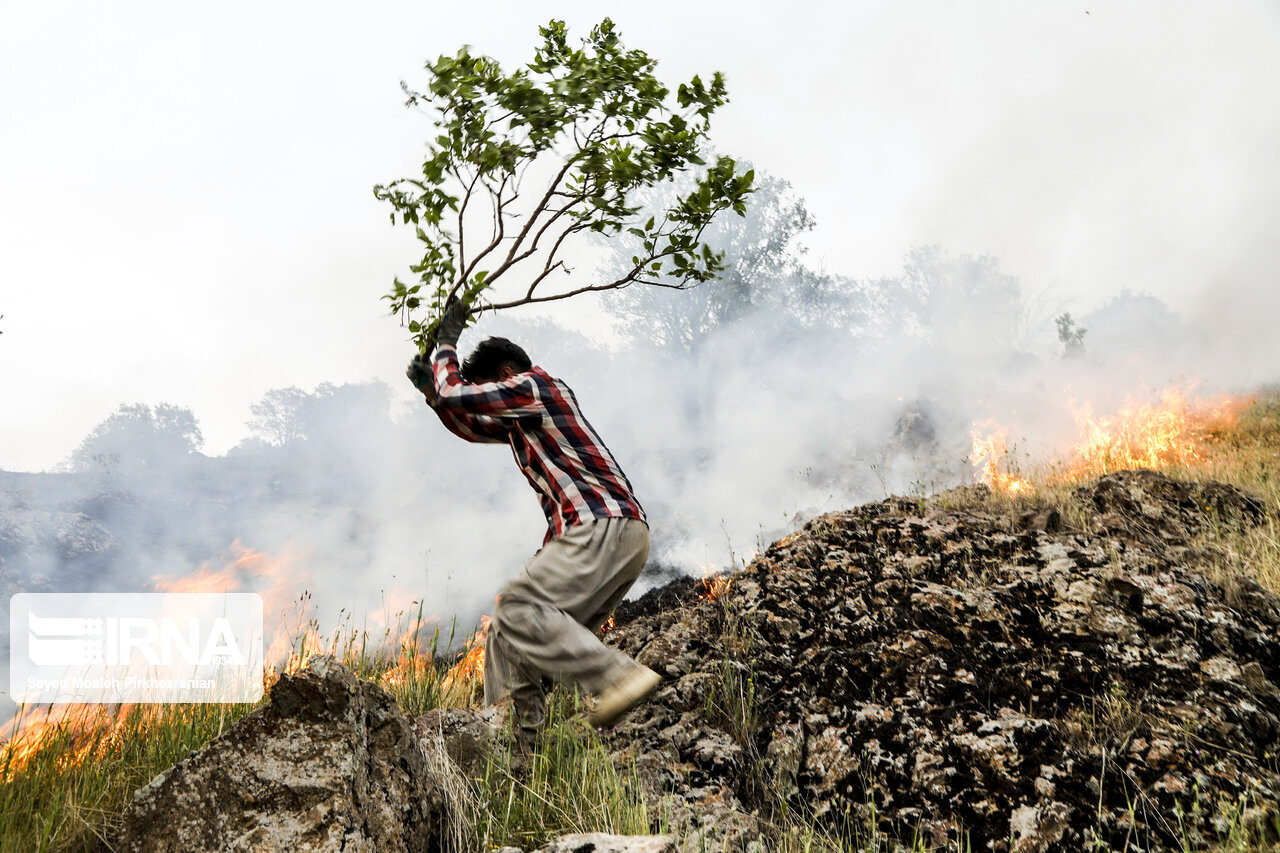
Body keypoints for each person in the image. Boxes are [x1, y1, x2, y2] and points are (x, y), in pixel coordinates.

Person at [406, 299, 661, 738]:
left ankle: (620, 677)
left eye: (489, 388)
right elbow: (466, 421)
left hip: (601, 524)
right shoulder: (519, 421)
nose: (490, 402)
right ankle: (519, 748)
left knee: (518, 605)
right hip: (614, 536)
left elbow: (460, 396)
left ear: (506, 376)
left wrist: (446, 343)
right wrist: (433, 395)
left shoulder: (535, 386)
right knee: (508, 637)